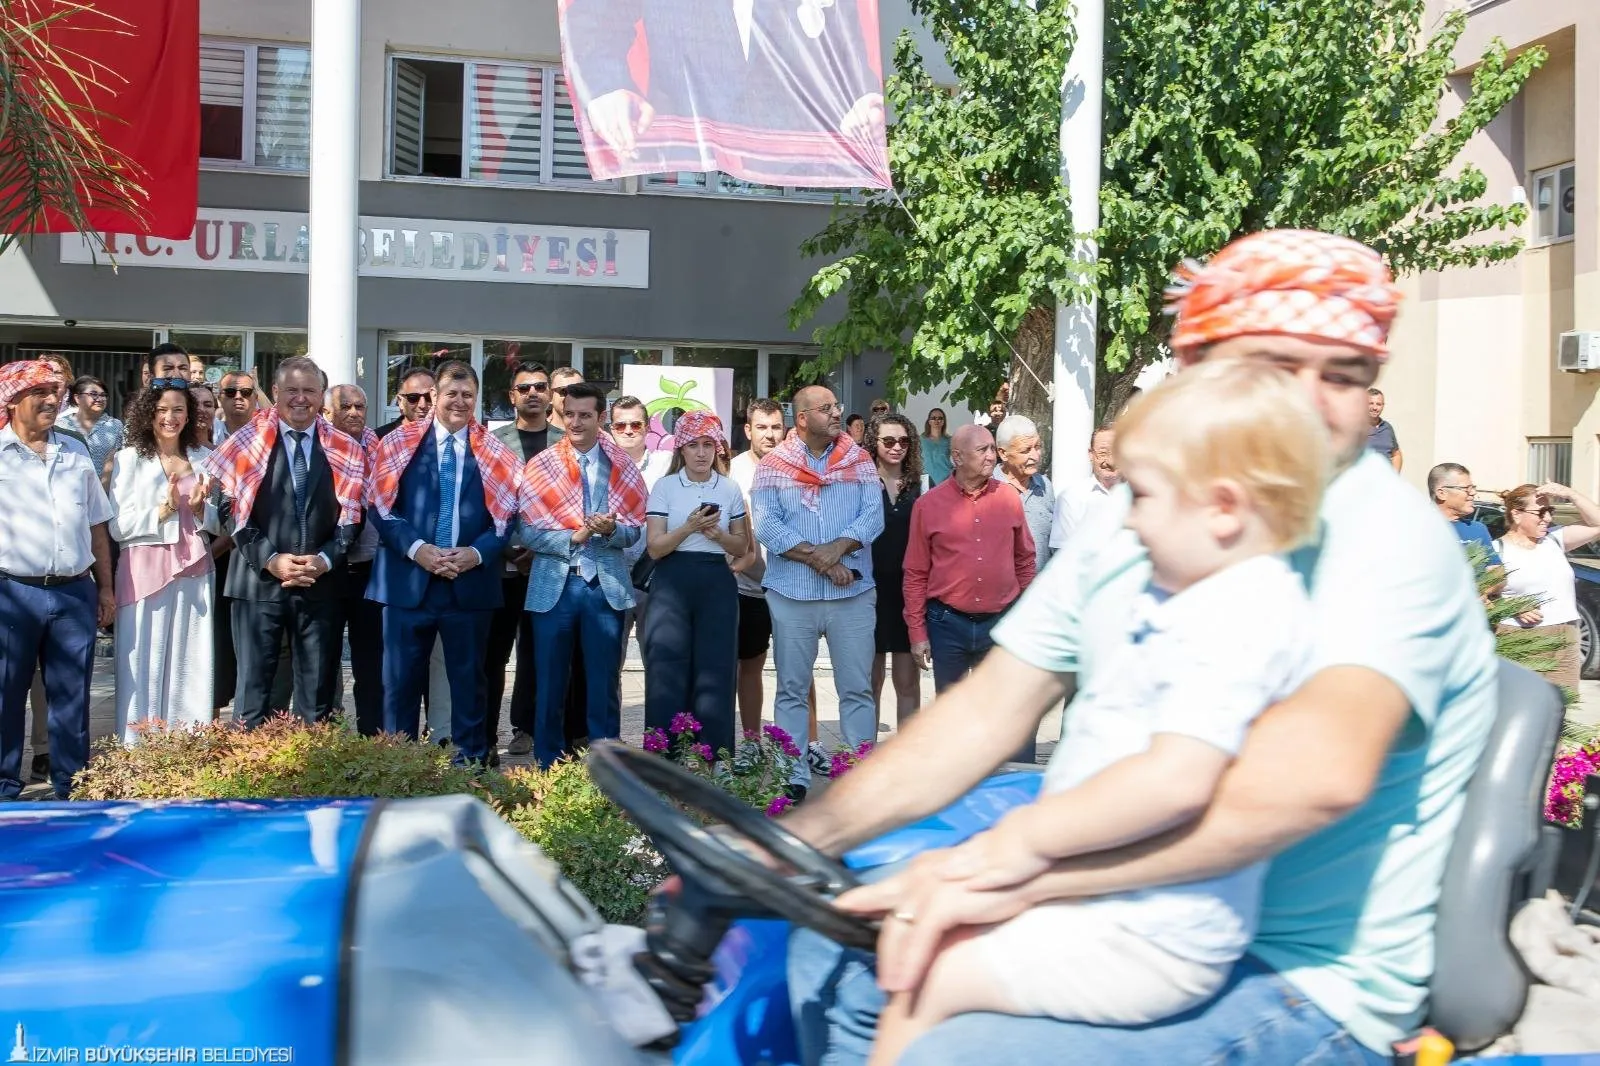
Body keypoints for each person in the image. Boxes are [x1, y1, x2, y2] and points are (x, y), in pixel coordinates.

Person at [783, 229, 1498, 1066]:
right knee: (819, 956)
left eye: (1343, 375)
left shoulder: (1382, 539)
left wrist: (1004, 871)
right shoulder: (1155, 515)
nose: (1312, 400)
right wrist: (796, 840)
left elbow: (1299, 787)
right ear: (1205, 376)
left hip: (1291, 977)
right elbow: (988, 708)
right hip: (1115, 910)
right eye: (1274, 366)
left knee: (959, 1047)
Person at [867, 360, 1330, 1065]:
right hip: (1115, 899)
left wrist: (1006, 853)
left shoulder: (1245, 608)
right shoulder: (1188, 593)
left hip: (1152, 928)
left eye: (1145, 494)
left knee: (924, 976)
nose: (1126, 512)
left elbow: (1173, 779)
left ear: (1225, 506)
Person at [367, 361, 520, 766]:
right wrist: (419, 549)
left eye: (468, 395)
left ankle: (468, 766)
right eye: (451, 393)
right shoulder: (399, 444)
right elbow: (381, 509)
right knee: (399, 685)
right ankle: (397, 768)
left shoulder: (495, 452)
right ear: (434, 396)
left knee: (469, 683)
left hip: (468, 584)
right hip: (408, 581)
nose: (459, 402)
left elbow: (506, 518)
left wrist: (476, 553)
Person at [201, 356, 366, 728]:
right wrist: (270, 559)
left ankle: (310, 782)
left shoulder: (347, 448)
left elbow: (355, 515)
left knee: (317, 698)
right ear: (275, 393)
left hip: (321, 584)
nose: (300, 398)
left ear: (322, 396)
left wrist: (325, 558)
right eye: (291, 390)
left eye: (309, 390)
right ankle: (249, 781)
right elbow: (231, 512)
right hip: (256, 584)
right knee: (253, 696)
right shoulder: (245, 443)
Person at [752, 385, 884, 800]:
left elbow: (873, 518)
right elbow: (767, 526)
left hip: (853, 596)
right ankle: (793, 775)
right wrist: (822, 561)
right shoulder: (773, 465)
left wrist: (837, 548)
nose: (836, 413)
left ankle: (859, 772)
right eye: (826, 408)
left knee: (857, 687)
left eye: (837, 406)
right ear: (803, 418)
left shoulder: (860, 460)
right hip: (793, 596)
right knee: (791, 687)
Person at [0, 360, 114, 801]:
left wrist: (104, 588)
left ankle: (72, 787)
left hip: (73, 593)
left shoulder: (76, 452)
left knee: (72, 699)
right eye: (40, 393)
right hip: (12, 592)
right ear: (12, 400)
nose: (52, 400)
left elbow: (97, 525)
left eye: (56, 392)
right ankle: (6, 790)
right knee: (6, 696)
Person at [518, 381, 647, 768]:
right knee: (550, 684)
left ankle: (608, 768)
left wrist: (610, 531)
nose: (575, 422)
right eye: (569, 414)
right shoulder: (542, 464)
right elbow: (526, 531)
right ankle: (547, 767)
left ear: (600, 418)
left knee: (603, 684)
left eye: (585, 415)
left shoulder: (620, 465)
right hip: (554, 584)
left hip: (604, 586)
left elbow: (634, 530)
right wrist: (575, 536)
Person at [107, 379, 219, 742]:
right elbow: (118, 527)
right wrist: (166, 508)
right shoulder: (128, 459)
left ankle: (188, 745)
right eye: (161, 410)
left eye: (178, 409)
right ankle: (137, 751)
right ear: (148, 414)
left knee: (191, 662)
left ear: (190, 415)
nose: (170, 417)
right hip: (144, 568)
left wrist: (203, 509)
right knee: (144, 662)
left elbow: (222, 523)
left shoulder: (204, 458)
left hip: (194, 568)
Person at [643, 411, 752, 756]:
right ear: (681, 449)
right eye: (694, 445)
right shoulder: (665, 486)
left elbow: (742, 547)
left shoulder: (730, 487)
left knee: (717, 666)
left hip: (716, 580)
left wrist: (716, 533)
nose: (702, 453)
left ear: (718, 447)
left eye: (709, 444)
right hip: (672, 578)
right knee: (667, 666)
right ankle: (664, 754)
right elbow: (655, 548)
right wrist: (688, 528)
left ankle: (715, 753)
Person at [902, 423, 1035, 694]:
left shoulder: (1009, 497)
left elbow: (1025, 560)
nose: (991, 456)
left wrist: (1017, 610)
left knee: (1000, 713)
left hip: (999, 622)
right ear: (958, 457)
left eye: (992, 449)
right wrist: (917, 633)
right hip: (947, 624)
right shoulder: (927, 506)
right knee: (953, 715)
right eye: (982, 449)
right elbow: (915, 573)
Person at [488, 363, 565, 759]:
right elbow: (484, 503)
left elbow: (571, 503)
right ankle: (486, 735)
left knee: (540, 653)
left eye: (540, 386)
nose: (533, 393)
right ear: (512, 396)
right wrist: (505, 549)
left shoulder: (565, 441)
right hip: (500, 564)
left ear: (551, 394)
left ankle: (532, 728)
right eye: (524, 387)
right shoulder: (493, 442)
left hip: (548, 564)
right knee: (494, 653)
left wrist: (540, 548)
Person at [1494, 482, 1600, 693]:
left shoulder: (1553, 540)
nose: (1548, 519)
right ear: (1516, 514)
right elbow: (1479, 596)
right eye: (1541, 512)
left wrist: (1570, 493)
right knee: (1524, 707)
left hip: (1565, 635)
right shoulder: (1498, 550)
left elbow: (1598, 523)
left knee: (1560, 709)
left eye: (1550, 511)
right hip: (1520, 637)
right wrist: (1512, 606)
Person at [326, 384, 386, 736]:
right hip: (327, 570)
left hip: (370, 571)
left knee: (371, 666)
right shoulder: (318, 446)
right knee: (325, 664)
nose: (353, 412)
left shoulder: (379, 448)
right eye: (344, 406)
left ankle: (371, 743)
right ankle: (325, 742)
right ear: (328, 411)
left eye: (359, 406)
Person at [730, 399, 783, 734]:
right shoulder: (732, 472)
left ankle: (807, 745)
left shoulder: (797, 468)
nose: (770, 435)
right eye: (762, 427)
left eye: (776, 427)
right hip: (747, 589)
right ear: (748, 430)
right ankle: (750, 741)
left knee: (798, 672)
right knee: (748, 668)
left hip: (792, 586)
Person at [866, 414, 922, 731]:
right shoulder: (860, 483)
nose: (896, 447)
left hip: (907, 592)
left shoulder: (921, 486)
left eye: (903, 441)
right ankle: (866, 760)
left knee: (908, 682)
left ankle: (908, 763)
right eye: (888, 440)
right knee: (870, 683)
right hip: (869, 591)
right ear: (874, 443)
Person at [993, 415, 1055, 575]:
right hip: (1002, 596)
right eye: (1025, 450)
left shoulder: (1045, 486)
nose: (1035, 456)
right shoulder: (987, 489)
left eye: (1037, 447)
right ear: (1003, 453)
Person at [1051, 425, 1121, 551]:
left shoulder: (1143, 496)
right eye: (1103, 453)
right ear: (1091, 454)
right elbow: (1063, 555)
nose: (1110, 461)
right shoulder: (1071, 498)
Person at [1428, 463, 1500, 567]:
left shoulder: (1477, 529)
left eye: (1473, 487)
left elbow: (1498, 575)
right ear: (1441, 493)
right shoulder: (1417, 528)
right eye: (1466, 489)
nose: (1473, 493)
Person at [66, 375, 124, 477]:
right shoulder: (62, 425)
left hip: (103, 489)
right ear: (77, 398)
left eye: (103, 395)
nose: (100, 399)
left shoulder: (115, 426)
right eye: (93, 394)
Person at [379, 365, 436, 437]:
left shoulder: (445, 437)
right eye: (413, 398)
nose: (422, 405)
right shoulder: (380, 439)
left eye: (429, 397)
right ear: (400, 402)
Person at [214, 370, 258, 443]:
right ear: (219, 400)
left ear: (256, 399)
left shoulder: (267, 434)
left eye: (246, 392)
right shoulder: (210, 433)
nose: (238, 396)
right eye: (230, 392)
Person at [1366, 387, 1402, 472]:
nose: (1375, 408)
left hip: (1385, 482)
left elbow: (1396, 455)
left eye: (1378, 404)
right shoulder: (1356, 427)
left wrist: (1394, 477)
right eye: (1371, 403)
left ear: (1383, 406)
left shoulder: (1387, 428)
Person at [920, 409, 951, 487]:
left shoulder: (950, 441)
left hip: (946, 480)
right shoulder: (920, 440)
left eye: (940, 418)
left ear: (944, 422)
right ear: (929, 421)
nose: (937, 421)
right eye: (933, 418)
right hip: (926, 481)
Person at [549, 366, 585, 434]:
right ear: (550, 396)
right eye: (564, 391)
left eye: (578, 391)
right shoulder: (537, 434)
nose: (571, 397)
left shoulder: (596, 435)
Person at [189, 383, 218, 447]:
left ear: (214, 410)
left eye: (208, 405)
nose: (201, 409)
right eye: (194, 404)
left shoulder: (221, 454)